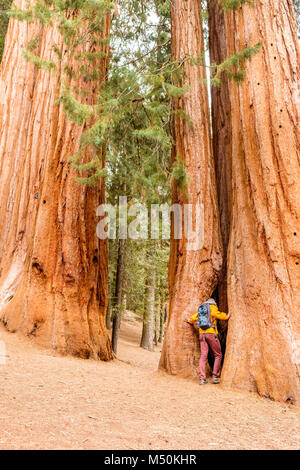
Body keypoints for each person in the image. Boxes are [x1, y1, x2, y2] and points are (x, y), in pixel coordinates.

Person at [185, 298, 230, 385]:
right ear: (213, 302)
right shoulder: (212, 307)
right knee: (218, 354)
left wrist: (189, 320)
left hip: (202, 334)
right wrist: (226, 316)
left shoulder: (202, 308)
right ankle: (215, 376)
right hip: (211, 333)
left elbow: (195, 317)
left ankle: (202, 378)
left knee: (203, 356)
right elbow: (216, 314)